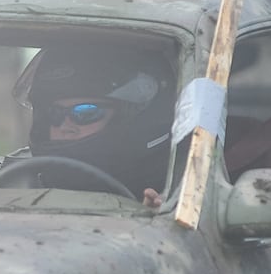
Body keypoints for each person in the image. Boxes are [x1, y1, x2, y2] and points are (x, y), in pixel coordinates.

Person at [15, 44, 174, 200]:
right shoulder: (13, 179)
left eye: (85, 112)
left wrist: (150, 215)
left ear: (131, 118)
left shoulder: (179, 190)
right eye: (54, 113)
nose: (65, 127)